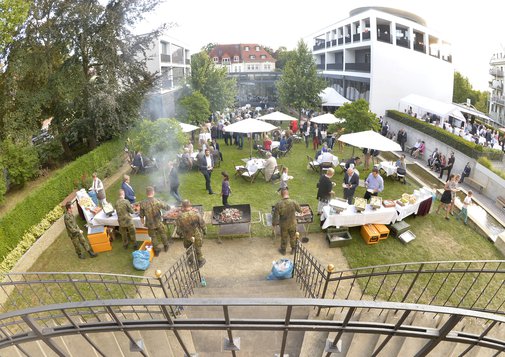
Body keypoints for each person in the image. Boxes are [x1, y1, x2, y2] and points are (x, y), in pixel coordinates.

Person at [139, 186, 171, 256]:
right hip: (158, 222)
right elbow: (167, 207)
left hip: (150, 224)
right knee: (163, 234)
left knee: (153, 237)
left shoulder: (142, 203)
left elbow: (141, 215)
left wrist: (142, 223)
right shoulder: (157, 201)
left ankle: (156, 251)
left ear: (146, 193)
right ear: (153, 192)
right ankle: (166, 246)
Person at [176, 200, 206, 267]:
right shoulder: (196, 214)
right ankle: (200, 261)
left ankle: (191, 262)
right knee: (197, 248)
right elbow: (202, 224)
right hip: (196, 234)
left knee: (188, 249)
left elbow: (178, 230)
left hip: (186, 236)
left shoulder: (180, 217)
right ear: (190, 206)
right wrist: (204, 231)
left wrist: (181, 234)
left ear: (183, 207)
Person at [272, 189, 301, 255]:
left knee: (284, 237)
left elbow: (275, 216)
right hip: (292, 223)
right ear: (288, 194)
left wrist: (274, 224)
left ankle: (283, 250)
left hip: (284, 224)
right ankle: (293, 249)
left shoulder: (278, 204)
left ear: (281, 195)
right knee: (293, 236)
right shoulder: (293, 202)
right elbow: (299, 210)